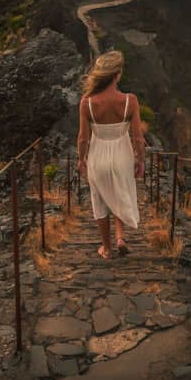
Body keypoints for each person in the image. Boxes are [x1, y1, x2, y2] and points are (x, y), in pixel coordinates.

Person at [76, 49, 145, 260]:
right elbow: (138, 137)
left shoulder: (87, 102)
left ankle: (106, 248)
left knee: (100, 200)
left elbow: (83, 138)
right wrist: (141, 160)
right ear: (117, 75)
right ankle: (120, 237)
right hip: (122, 155)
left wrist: (81, 160)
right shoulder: (130, 101)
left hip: (98, 156)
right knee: (119, 192)